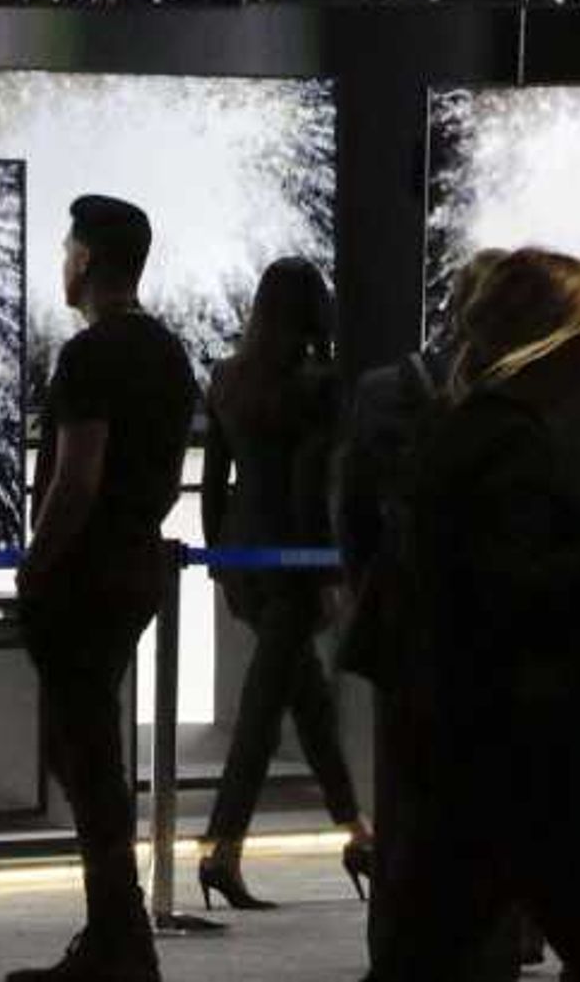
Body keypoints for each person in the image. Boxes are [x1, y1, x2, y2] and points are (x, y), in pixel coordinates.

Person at [368, 250, 580, 982]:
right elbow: (521, 590)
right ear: (551, 341)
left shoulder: (468, 432)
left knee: (426, 948)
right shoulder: (511, 446)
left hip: (481, 743)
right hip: (529, 747)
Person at [4, 196, 200, 982]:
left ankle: (121, 945)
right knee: (89, 752)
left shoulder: (89, 358)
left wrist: (34, 561)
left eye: (66, 248)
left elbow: (77, 477)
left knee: (82, 755)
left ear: (85, 261)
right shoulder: (169, 352)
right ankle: (117, 938)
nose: (62, 260)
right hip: (134, 566)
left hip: (83, 575)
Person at [335, 250, 499, 980]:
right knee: (493, 811)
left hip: (402, 624)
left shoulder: (382, 391)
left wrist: (370, 587)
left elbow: (353, 514)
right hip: (496, 629)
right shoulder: (525, 399)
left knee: (401, 807)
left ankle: (395, 957)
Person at [192, 258, 361, 910]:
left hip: (243, 554)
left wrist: (217, 557)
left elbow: (213, 482)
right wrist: (323, 569)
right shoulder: (319, 386)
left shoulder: (227, 378)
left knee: (304, 698)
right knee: (263, 711)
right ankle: (220, 845)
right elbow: (309, 487)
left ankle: (357, 831)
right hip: (293, 561)